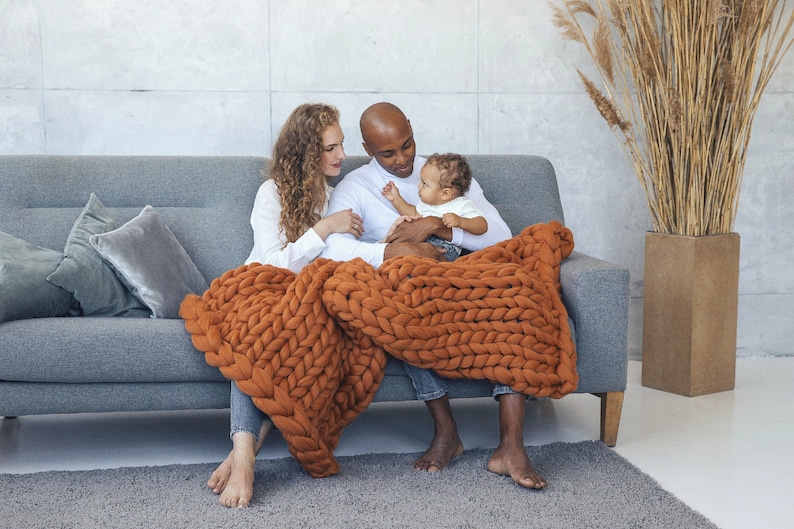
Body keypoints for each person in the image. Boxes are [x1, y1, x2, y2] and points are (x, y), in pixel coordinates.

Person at [321, 102, 547, 489]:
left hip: (466, 280)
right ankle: (447, 431)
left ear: (411, 127)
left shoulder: (445, 172)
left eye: (406, 145)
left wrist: (436, 228)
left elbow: (501, 235)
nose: (401, 160)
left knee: (519, 295)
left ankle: (511, 447)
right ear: (367, 148)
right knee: (396, 309)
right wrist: (391, 251)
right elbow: (332, 249)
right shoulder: (355, 187)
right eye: (387, 154)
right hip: (415, 287)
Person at [207, 103, 364, 508]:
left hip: (307, 300)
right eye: (330, 148)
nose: (341, 155)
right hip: (260, 288)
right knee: (255, 335)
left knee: (302, 340)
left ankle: (241, 454)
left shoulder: (337, 195)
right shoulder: (272, 194)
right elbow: (270, 262)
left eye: (341, 145)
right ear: (306, 152)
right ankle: (244, 456)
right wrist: (324, 228)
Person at [382, 152, 487, 261]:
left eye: (424, 184)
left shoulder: (461, 205)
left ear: (445, 194)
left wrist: (461, 221)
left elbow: (482, 225)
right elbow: (412, 213)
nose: (419, 186)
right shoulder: (425, 204)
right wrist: (396, 199)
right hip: (420, 245)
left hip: (446, 249)